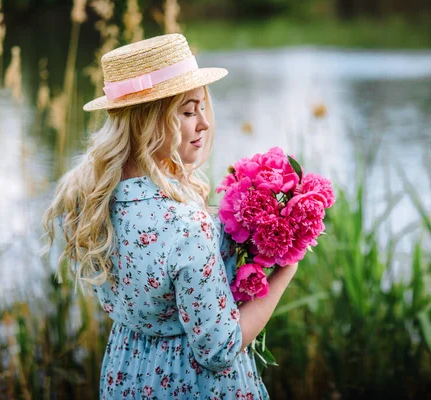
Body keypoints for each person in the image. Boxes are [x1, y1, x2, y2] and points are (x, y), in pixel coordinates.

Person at [43, 33, 297, 400]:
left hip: (128, 373)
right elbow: (219, 350)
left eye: (202, 108)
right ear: (148, 121)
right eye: (189, 111)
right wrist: (286, 269)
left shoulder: (91, 201)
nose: (205, 123)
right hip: (189, 385)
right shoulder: (186, 227)